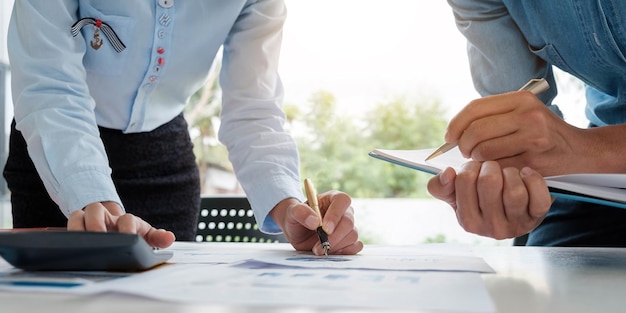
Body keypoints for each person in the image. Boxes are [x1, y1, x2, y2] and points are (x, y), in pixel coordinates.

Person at [4, 0, 363, 255]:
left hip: (164, 157)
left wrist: (290, 210)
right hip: (53, 155)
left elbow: (253, 107)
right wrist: (94, 201)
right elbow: (50, 87)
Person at [427, 0, 626, 246]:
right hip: (606, 173)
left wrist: (588, 150)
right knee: (545, 268)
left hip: (602, 156)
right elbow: (522, 147)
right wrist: (517, 191)